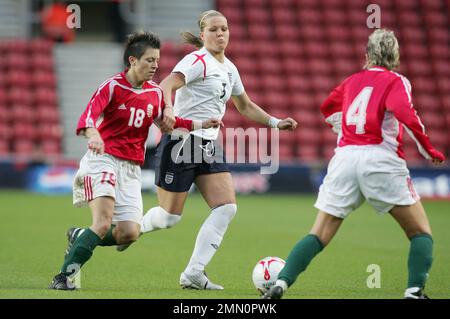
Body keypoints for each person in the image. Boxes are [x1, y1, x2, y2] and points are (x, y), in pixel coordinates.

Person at [262, 29, 445, 299]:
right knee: (420, 232)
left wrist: (342, 126)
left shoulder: (352, 81)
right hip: (381, 160)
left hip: (344, 159)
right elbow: (406, 113)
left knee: (319, 232)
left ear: (367, 55)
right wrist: (428, 148)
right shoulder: (397, 81)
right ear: (395, 56)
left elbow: (327, 107)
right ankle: (414, 292)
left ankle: (281, 283)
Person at [121, 10, 298, 290]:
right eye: (214, 30)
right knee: (169, 217)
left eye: (224, 29)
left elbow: (245, 106)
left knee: (226, 208)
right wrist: (167, 108)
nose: (220, 34)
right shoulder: (197, 61)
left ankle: (193, 272)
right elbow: (167, 84)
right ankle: (130, 229)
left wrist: (275, 122)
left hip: (208, 144)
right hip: (181, 141)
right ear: (203, 35)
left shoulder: (229, 68)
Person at [49, 31, 221, 290]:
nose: (155, 66)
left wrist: (201, 123)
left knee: (129, 233)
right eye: (149, 60)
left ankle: (80, 236)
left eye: (157, 60)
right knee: (103, 222)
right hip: (103, 159)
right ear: (132, 60)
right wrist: (94, 135)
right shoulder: (112, 87)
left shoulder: (154, 93)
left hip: (131, 168)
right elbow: (87, 117)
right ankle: (63, 278)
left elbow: (169, 123)